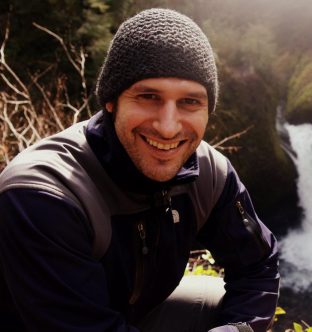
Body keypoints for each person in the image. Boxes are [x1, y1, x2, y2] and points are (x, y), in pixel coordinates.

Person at [0, 8, 279, 332]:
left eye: (190, 102)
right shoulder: (42, 196)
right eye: (148, 96)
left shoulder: (209, 174)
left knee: (216, 299)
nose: (168, 127)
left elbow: (258, 265)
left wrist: (236, 329)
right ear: (111, 101)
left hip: (126, 315)